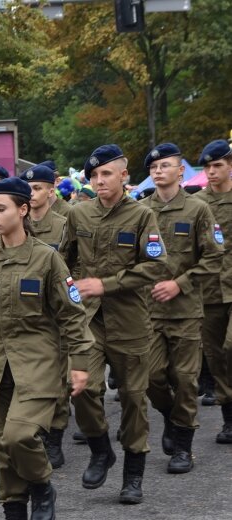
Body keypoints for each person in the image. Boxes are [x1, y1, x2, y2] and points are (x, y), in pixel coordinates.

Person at [0, 177, 92, 520]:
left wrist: (80, 363)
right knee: (2, 446)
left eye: (1, 209)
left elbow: (72, 316)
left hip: (38, 364)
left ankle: (43, 486)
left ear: (23, 209)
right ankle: (14, 509)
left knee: (18, 438)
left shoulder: (47, 260)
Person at [62, 144, 169, 504]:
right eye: (93, 175)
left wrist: (106, 284)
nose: (99, 180)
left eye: (106, 173)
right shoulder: (79, 215)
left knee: (134, 400)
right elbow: (63, 261)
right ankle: (100, 449)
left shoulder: (142, 217)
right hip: (89, 321)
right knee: (82, 387)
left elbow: (156, 266)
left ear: (124, 176)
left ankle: (133, 473)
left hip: (130, 321)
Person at [140, 143, 223, 474]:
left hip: (186, 311)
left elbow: (215, 256)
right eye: (154, 167)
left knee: (186, 380)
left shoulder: (198, 209)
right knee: (150, 376)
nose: (159, 171)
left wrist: (180, 283)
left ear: (180, 171)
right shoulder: (141, 211)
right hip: (148, 311)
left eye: (166, 166)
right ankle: (172, 417)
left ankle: (183, 448)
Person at [19, 164, 70, 468]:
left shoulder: (65, 225)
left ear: (51, 190)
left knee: (57, 377)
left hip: (54, 314)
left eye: (38, 188)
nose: (33, 194)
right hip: (25, 315)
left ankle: (55, 435)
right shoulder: (18, 225)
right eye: (29, 189)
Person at [192, 139, 232, 444]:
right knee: (215, 355)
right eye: (207, 166)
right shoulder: (199, 205)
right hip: (210, 290)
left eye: (217, 165)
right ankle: (229, 418)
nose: (212, 171)